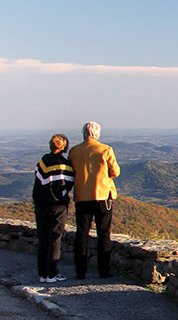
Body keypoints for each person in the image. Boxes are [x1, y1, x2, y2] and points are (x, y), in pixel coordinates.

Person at [68, 121, 120, 279]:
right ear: (97, 133)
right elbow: (115, 172)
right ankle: (104, 271)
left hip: (82, 196)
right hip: (103, 196)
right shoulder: (105, 149)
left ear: (84, 133)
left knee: (81, 234)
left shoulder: (74, 151)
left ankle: (80, 271)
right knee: (104, 233)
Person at [32, 133, 75, 283]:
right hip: (58, 205)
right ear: (65, 147)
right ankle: (52, 273)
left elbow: (39, 182)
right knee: (55, 238)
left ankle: (42, 273)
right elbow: (68, 185)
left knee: (43, 237)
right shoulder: (66, 165)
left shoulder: (43, 161)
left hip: (41, 204)